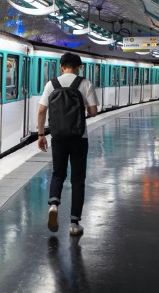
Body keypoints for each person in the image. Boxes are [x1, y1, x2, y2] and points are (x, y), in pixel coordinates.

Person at [37, 52, 98, 236]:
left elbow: (41, 111)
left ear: (62, 67)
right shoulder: (85, 83)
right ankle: (74, 224)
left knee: (58, 173)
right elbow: (94, 112)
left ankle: (54, 204)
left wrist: (41, 135)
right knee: (78, 180)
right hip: (79, 138)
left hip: (58, 138)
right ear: (78, 67)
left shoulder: (51, 84)